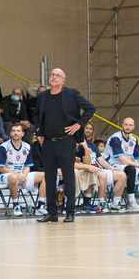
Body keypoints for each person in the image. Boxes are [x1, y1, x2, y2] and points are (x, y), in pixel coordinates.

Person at [34, 67, 94, 223]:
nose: (54, 77)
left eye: (57, 75)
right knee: (49, 177)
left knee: (68, 177)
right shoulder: (42, 96)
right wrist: (39, 131)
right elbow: (36, 115)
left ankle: (70, 212)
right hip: (48, 142)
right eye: (52, 75)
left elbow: (90, 108)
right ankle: (51, 213)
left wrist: (79, 125)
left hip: (66, 141)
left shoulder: (72, 94)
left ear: (63, 80)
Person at [106, 117, 139, 212]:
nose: (128, 127)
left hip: (125, 166)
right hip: (112, 165)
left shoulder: (133, 139)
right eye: (126, 125)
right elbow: (122, 160)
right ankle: (131, 202)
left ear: (133, 127)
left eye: (130, 125)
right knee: (131, 169)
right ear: (122, 125)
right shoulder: (116, 138)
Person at [0, 123, 39, 217]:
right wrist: (17, 175)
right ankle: (16, 205)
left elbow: (27, 166)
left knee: (43, 175)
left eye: (18, 131)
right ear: (10, 133)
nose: (16, 133)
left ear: (22, 134)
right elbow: (1, 168)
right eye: (14, 131)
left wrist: (24, 176)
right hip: (5, 176)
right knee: (13, 177)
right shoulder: (3, 147)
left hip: (22, 175)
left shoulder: (27, 146)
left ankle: (41, 205)